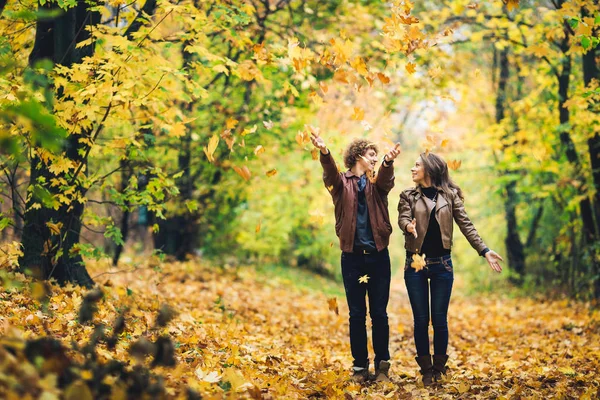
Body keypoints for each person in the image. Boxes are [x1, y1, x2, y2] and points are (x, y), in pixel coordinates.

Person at [397, 152, 503, 386]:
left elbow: (466, 225)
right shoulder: (407, 195)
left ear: (430, 169)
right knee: (421, 319)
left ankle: (439, 369)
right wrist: (408, 226)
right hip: (414, 264)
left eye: (417, 165)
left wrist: (484, 250)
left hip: (442, 264)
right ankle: (426, 370)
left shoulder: (450, 196)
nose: (412, 169)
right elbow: (402, 218)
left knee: (439, 319)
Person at [310, 128, 401, 383]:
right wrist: (324, 151)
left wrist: (388, 161)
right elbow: (329, 173)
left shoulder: (377, 185)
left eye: (377, 155)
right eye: (372, 154)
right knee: (357, 315)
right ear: (359, 155)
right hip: (352, 258)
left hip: (378, 257)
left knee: (380, 314)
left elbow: (387, 177)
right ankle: (360, 368)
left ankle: (382, 367)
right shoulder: (340, 184)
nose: (375, 158)